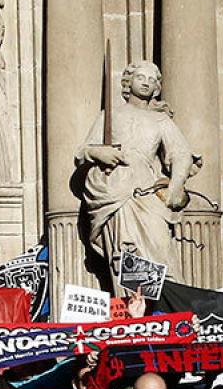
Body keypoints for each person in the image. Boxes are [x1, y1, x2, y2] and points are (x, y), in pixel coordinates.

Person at [76, 60, 201, 285]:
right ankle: (134, 311)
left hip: (144, 192)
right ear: (128, 81)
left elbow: (182, 153)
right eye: (141, 77)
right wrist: (99, 153)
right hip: (113, 190)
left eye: (152, 79)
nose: (146, 82)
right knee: (125, 259)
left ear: (157, 88)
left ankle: (169, 310)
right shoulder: (109, 115)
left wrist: (176, 185)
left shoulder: (160, 119)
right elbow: (83, 151)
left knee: (162, 251)